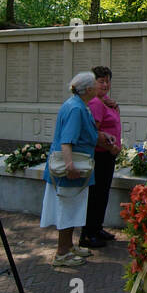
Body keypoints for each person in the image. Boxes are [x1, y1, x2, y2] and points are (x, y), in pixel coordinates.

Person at [42, 72, 99, 268]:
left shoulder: (77, 104)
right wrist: (69, 166)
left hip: (76, 165)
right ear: (88, 89)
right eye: (95, 85)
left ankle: (69, 246)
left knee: (74, 207)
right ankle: (62, 253)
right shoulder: (76, 108)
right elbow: (67, 140)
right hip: (72, 168)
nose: (98, 88)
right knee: (68, 209)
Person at [81, 65, 121, 249]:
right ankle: (88, 234)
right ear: (93, 83)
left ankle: (97, 228)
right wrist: (110, 148)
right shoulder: (96, 103)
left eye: (107, 80)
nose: (105, 84)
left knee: (103, 193)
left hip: (108, 154)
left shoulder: (105, 100)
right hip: (100, 155)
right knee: (96, 194)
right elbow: (94, 133)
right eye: (101, 81)